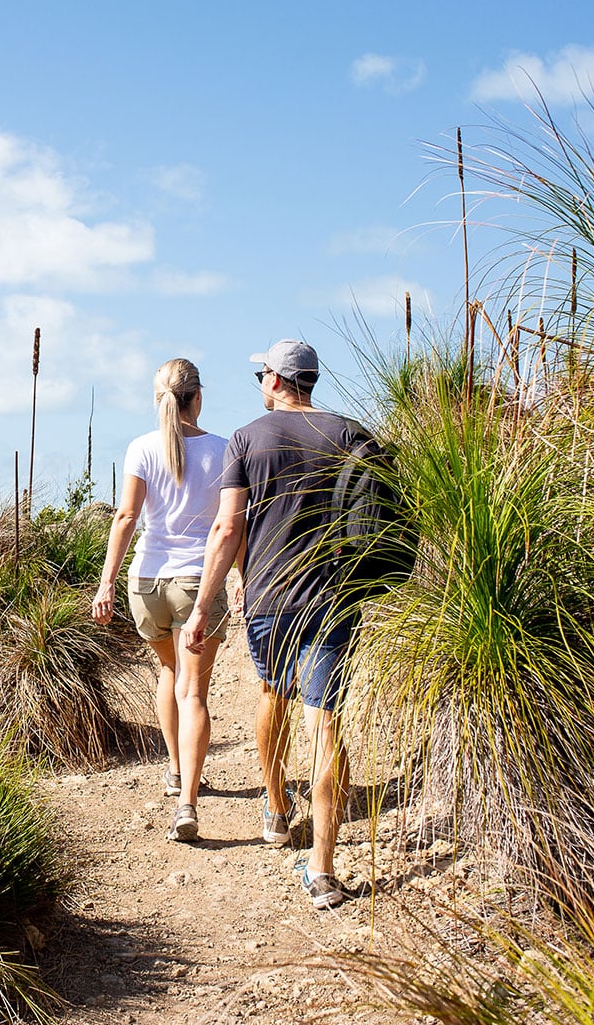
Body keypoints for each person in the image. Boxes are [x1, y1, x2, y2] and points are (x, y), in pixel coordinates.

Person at [182, 338, 361, 909]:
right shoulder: (351, 435)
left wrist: (203, 603)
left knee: (273, 694)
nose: (260, 380)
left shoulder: (247, 439)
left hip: (270, 600)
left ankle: (278, 811)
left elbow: (228, 529)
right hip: (334, 598)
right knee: (325, 722)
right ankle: (323, 870)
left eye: (263, 372)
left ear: (278, 381)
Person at [92, 358, 230, 844]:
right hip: (197, 581)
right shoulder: (223, 449)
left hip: (146, 581)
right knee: (193, 691)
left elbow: (126, 515)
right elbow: (231, 525)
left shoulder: (140, 448)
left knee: (168, 673)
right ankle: (187, 803)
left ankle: (175, 770)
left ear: (159, 401)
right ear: (198, 396)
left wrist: (106, 582)